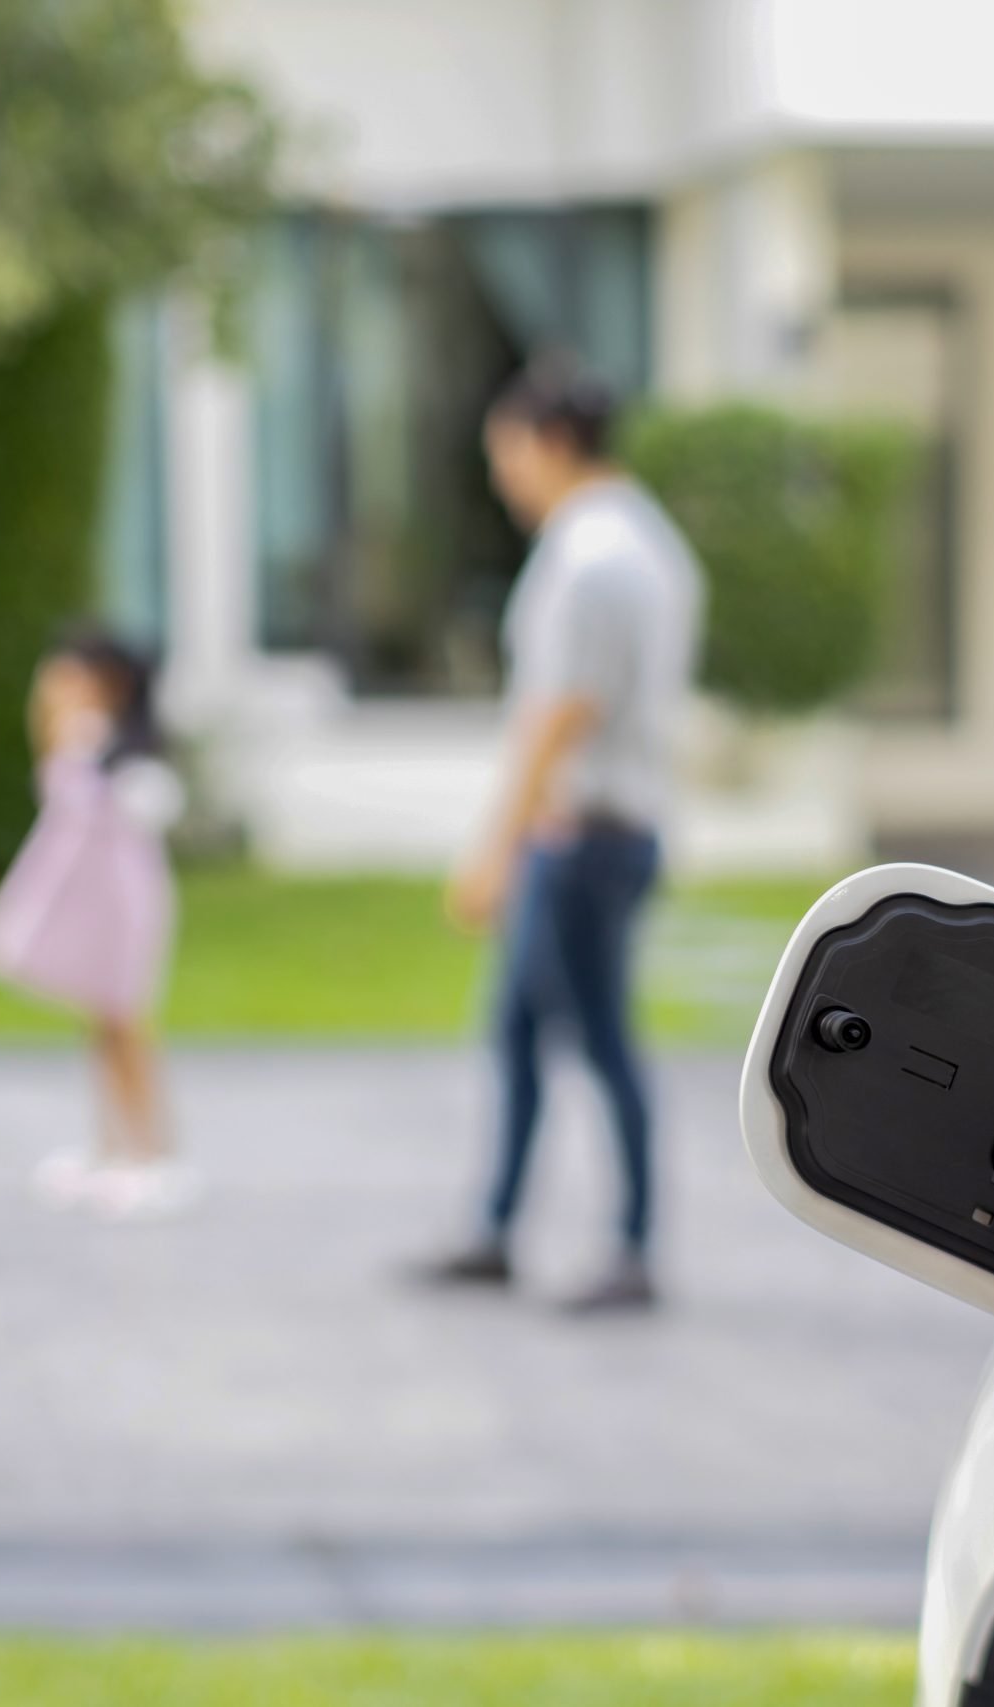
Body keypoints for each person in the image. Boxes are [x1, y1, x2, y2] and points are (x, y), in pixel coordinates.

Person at [420, 360, 704, 1313]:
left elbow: (559, 712)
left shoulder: (591, 556)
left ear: (546, 443)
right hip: (604, 830)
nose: (502, 476)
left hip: (583, 835)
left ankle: (627, 1246)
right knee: (521, 1029)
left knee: (599, 1039)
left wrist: (494, 845)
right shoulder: (646, 540)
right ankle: (497, 1228)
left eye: (504, 452)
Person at [0, 626, 192, 1220]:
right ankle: (112, 1148)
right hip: (89, 898)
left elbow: (142, 811)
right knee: (100, 1023)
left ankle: (154, 1155)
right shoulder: (76, 738)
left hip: (121, 900)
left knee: (126, 1021)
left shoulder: (120, 753)